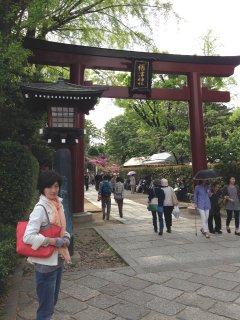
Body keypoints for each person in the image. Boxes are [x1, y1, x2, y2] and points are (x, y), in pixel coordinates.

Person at [23, 170, 71, 320]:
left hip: (58, 260)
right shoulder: (40, 208)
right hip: (45, 265)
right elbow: (28, 236)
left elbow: (63, 229)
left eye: (56, 186)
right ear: (42, 188)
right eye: (49, 186)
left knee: (52, 303)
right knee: (46, 309)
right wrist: (53, 241)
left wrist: (66, 238)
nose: (53, 190)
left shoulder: (58, 205)